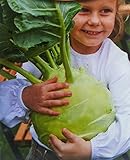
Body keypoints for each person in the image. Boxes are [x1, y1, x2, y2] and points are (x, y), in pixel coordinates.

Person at [0, 0, 130, 159]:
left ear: (116, 14)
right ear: (59, 10)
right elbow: (4, 103)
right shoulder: (41, 49)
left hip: (97, 154)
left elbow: (127, 120)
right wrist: (25, 96)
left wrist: (91, 150)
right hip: (43, 153)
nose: (94, 21)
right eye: (83, 10)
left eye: (105, 11)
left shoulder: (116, 62)